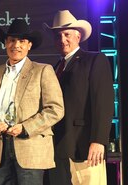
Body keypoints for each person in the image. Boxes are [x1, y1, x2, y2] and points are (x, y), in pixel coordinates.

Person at [0, 19, 65, 185]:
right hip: (1, 148)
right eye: (12, 40)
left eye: (22, 41)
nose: (16, 45)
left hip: (30, 148)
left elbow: (55, 109)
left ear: (29, 45)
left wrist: (25, 128)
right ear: (5, 43)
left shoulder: (43, 71)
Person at [43, 10, 114, 185]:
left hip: (85, 146)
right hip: (59, 148)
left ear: (78, 36)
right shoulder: (55, 68)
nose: (62, 40)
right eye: (58, 36)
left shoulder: (94, 60)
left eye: (66, 34)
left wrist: (98, 140)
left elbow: (103, 102)